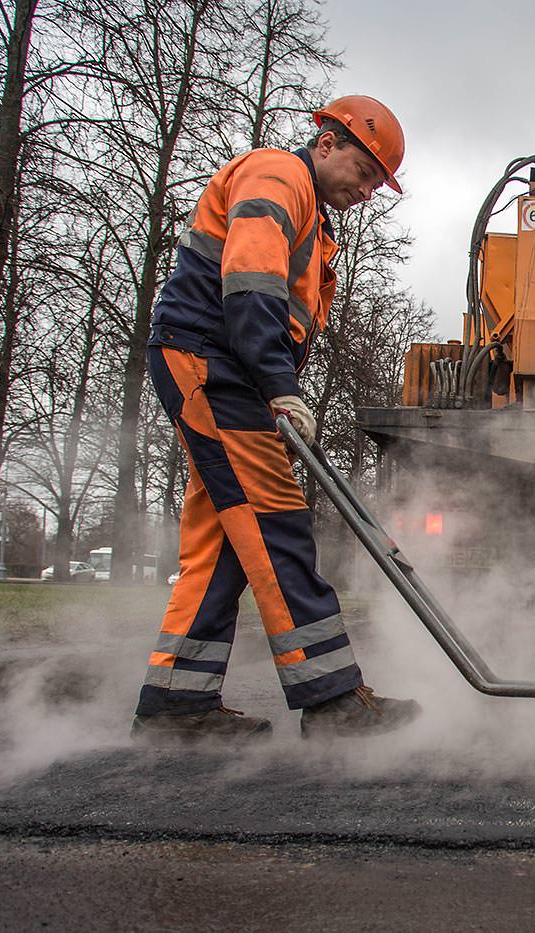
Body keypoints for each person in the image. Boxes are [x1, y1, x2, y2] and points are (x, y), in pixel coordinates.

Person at [131, 96, 421, 741]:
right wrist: (279, 387)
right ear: (328, 143)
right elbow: (251, 286)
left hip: (228, 373)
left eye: (376, 183)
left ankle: (176, 709)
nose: (365, 191)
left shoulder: (316, 224)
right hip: (213, 365)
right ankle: (332, 700)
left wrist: (271, 389)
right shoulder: (277, 175)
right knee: (277, 522)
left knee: (224, 547)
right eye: (364, 172)